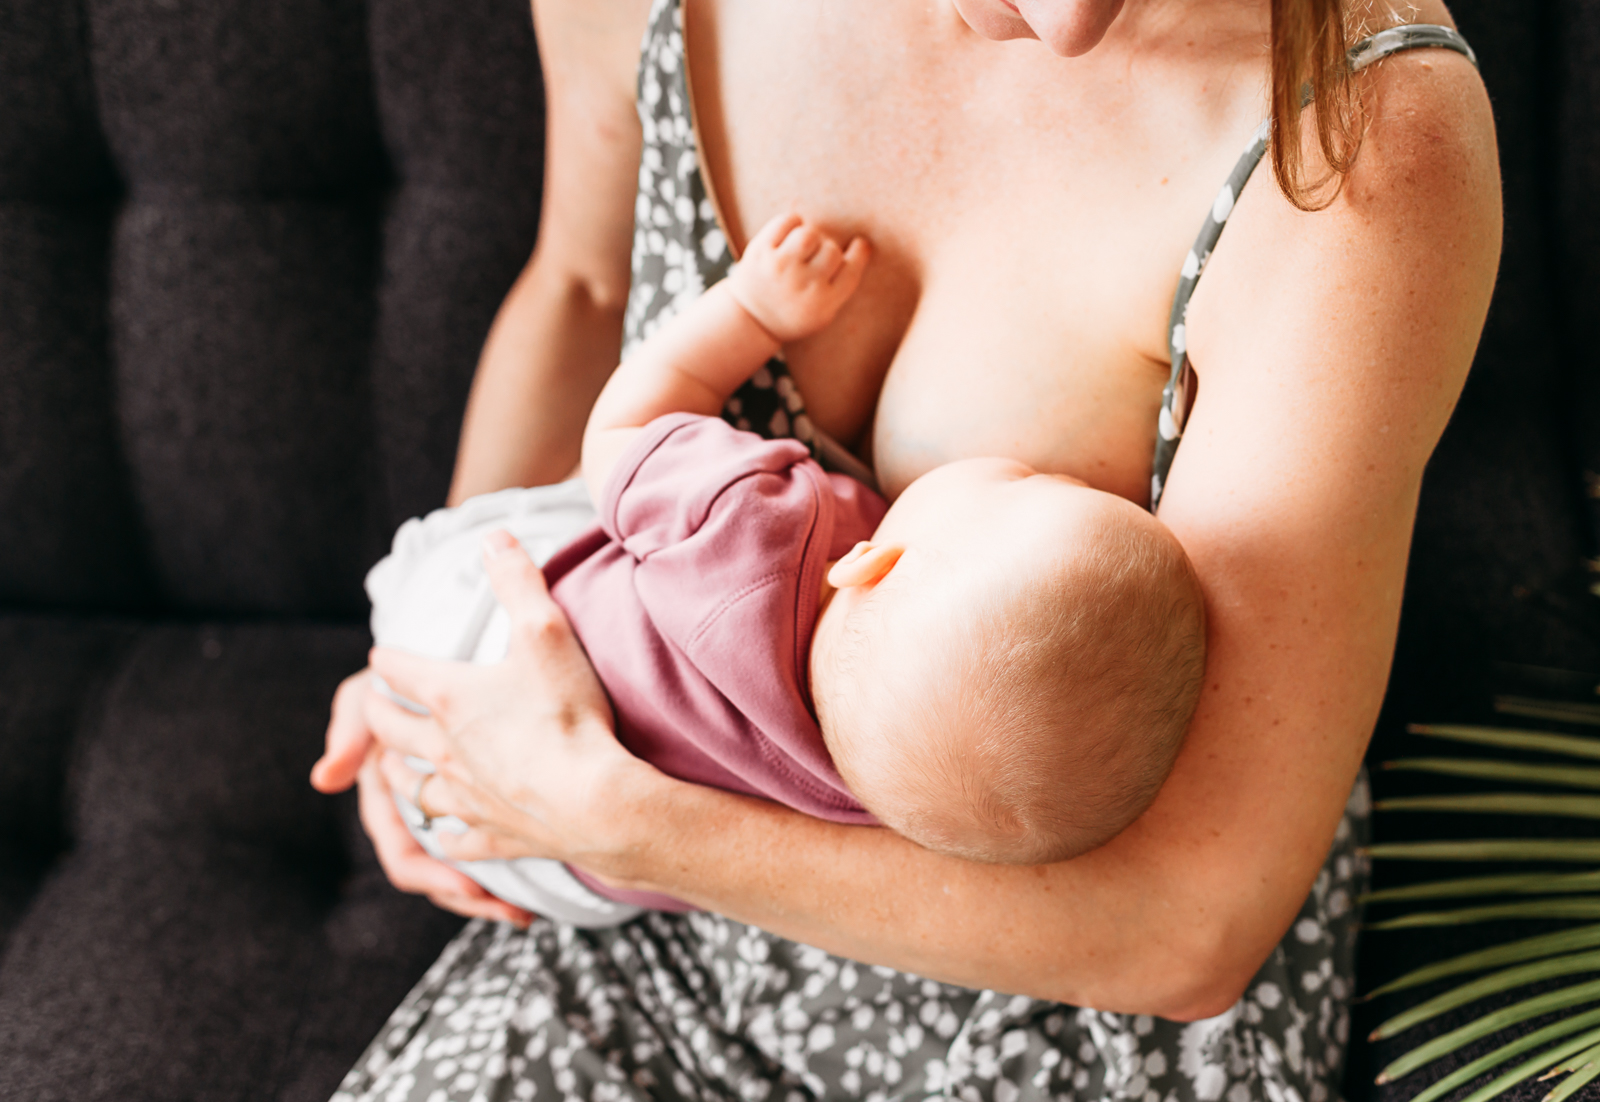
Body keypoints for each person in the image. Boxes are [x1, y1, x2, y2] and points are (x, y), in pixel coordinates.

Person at [311, 0, 1501, 1097]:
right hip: (641, 926)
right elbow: (581, 286)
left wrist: (620, 819)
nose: (1071, 21)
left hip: (1063, 998)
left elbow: (1188, 928)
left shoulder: (1361, 143)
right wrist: (444, 673)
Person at [360, 209, 1206, 926]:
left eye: (1027, 484)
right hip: (561, 875)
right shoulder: (898, 798)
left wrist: (749, 313)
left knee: (555, 519)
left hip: (461, 648)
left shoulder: (754, 532)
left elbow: (622, 429)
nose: (1047, 473)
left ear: (866, 563)